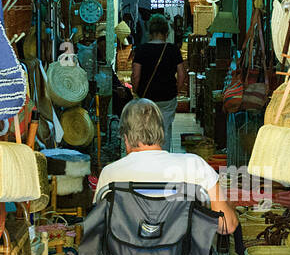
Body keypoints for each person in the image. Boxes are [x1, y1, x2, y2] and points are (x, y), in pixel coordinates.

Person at [97, 98, 237, 235]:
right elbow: (227, 226)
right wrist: (229, 205)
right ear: (162, 132)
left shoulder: (110, 174)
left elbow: (99, 231)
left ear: (125, 137)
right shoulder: (194, 165)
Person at [130, 13, 187, 151]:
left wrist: (136, 92)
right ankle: (163, 156)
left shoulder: (142, 50)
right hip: (168, 97)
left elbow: (136, 76)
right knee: (164, 129)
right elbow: (181, 75)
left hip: (146, 97)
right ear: (166, 32)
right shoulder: (173, 49)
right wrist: (176, 91)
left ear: (150, 32)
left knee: (146, 129)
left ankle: (147, 157)